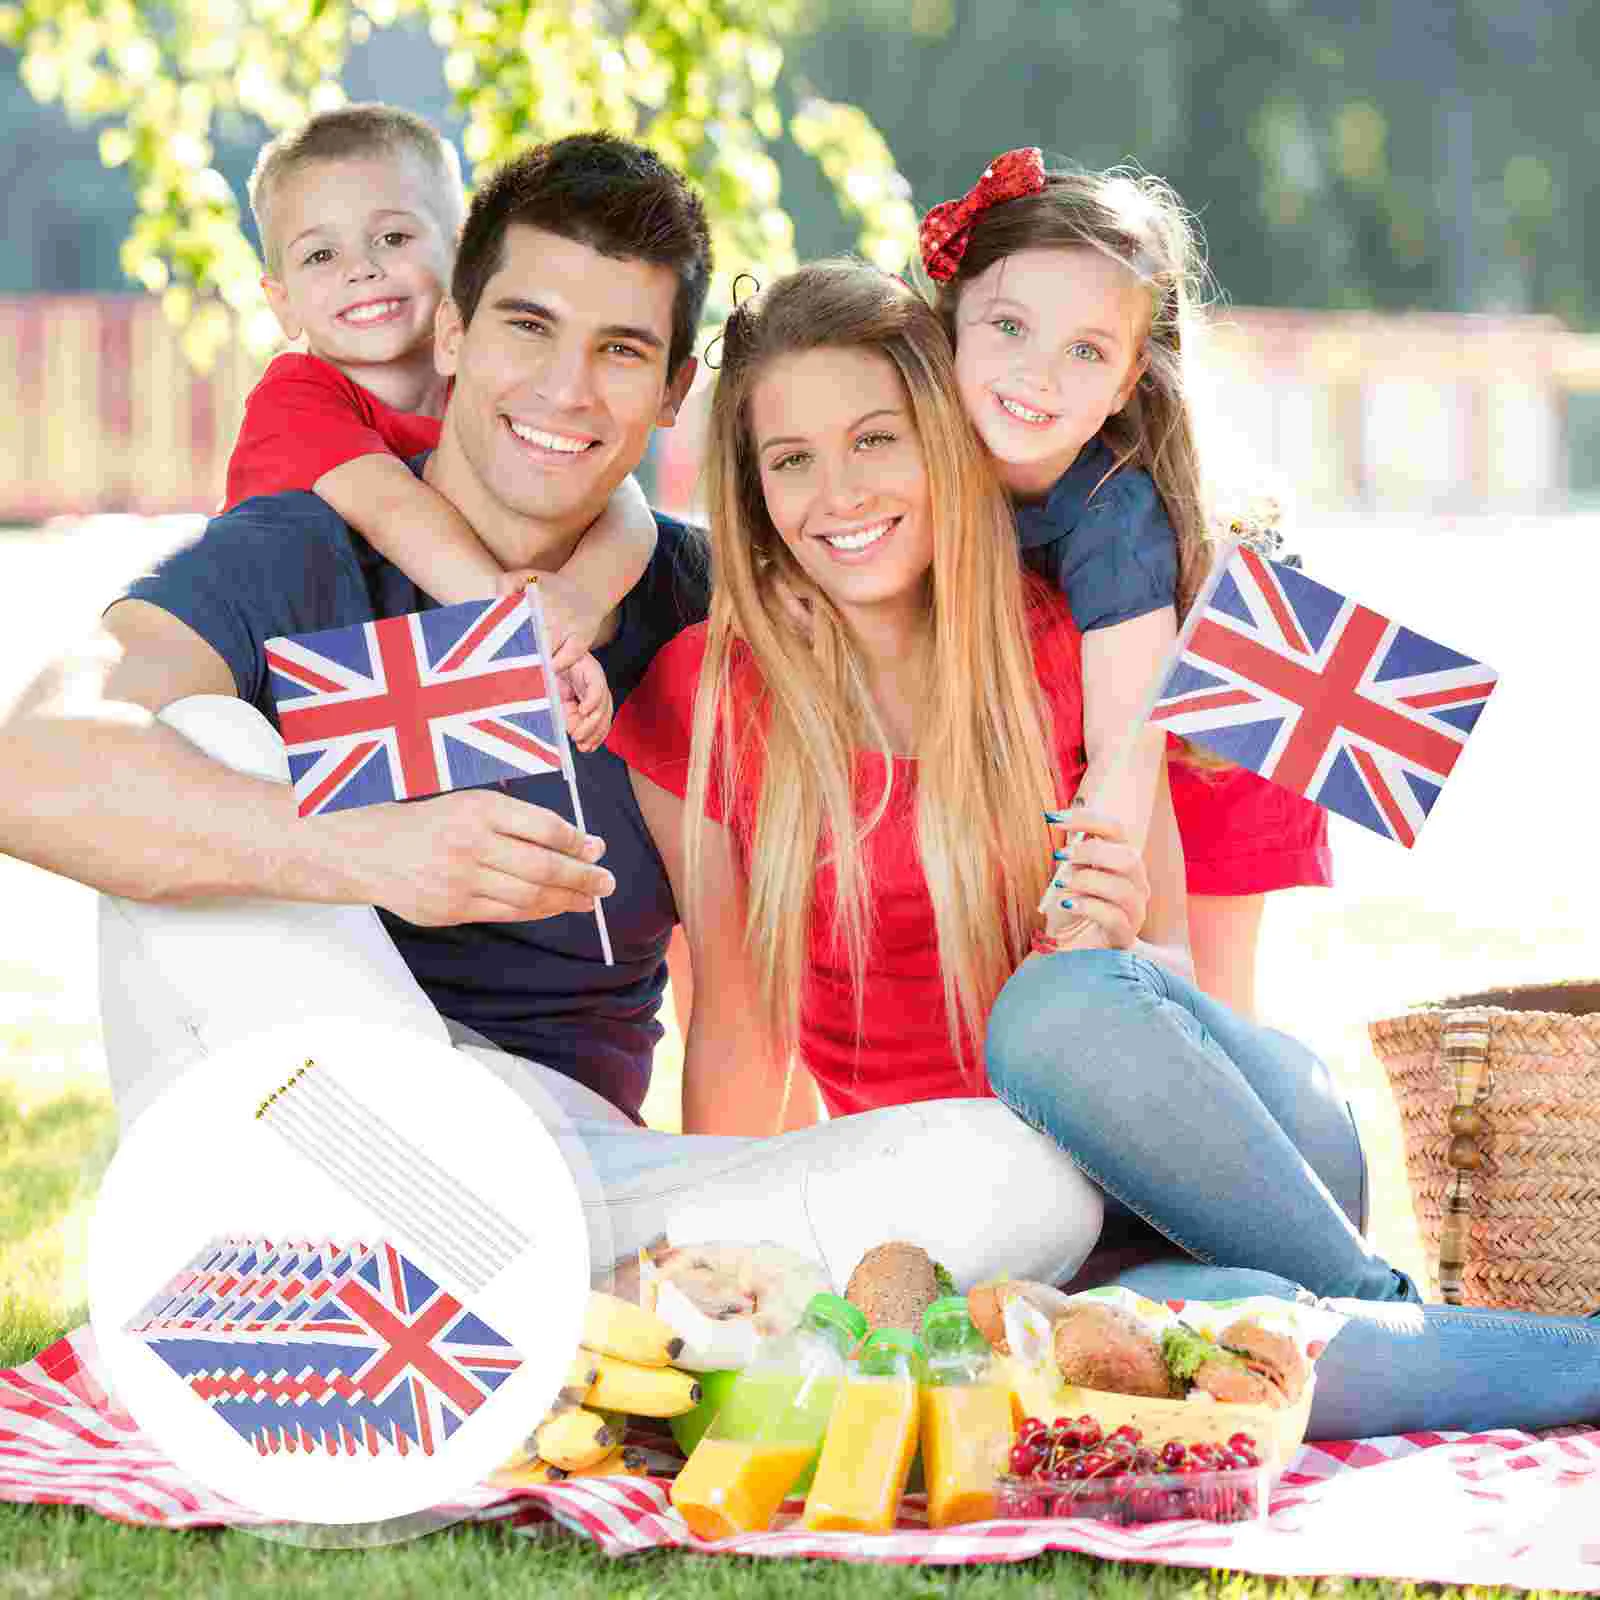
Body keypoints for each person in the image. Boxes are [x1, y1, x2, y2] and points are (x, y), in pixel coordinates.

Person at [0, 133, 1104, 1300]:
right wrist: (358, 851)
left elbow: (746, 995)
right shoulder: (295, 551)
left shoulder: (701, 604)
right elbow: (31, 760)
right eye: (527, 327)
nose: (565, 391)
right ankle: (490, 1304)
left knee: (1018, 1176)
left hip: (571, 1173)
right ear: (453, 337)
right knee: (194, 750)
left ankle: (530, 1322)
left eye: (621, 351)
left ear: (677, 391)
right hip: (303, 1122)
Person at [606, 257, 1600, 1438]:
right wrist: (738, 1297)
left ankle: (1373, 1304)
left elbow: (1179, 1002)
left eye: (877, 439)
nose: (838, 491)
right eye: (790, 459)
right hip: (1024, 1232)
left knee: (1058, 1005)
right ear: (750, 486)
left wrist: (1132, 940)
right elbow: (737, 1034)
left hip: (1224, 1154)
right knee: (1194, 1348)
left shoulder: (1088, 643)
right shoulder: (714, 698)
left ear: (945, 440)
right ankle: (1487, 1349)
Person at [920, 149, 1332, 1018]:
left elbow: (1125, 748)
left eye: (1085, 349)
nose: (1037, 373)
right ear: (949, 319)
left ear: (1126, 382)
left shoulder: (1118, 518)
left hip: (1221, 705)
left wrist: (1081, 917)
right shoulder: (913, 444)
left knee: (1207, 998)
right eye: (1008, 327)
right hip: (1078, 695)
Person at [232, 102, 665, 746]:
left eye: (394, 239)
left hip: (423, 675)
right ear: (283, 301)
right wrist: (529, 636)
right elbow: (392, 510)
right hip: (293, 684)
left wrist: (578, 599)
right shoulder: (296, 398)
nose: (362, 268)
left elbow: (622, 501)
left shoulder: (490, 387)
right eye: (321, 255)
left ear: (466, 258)